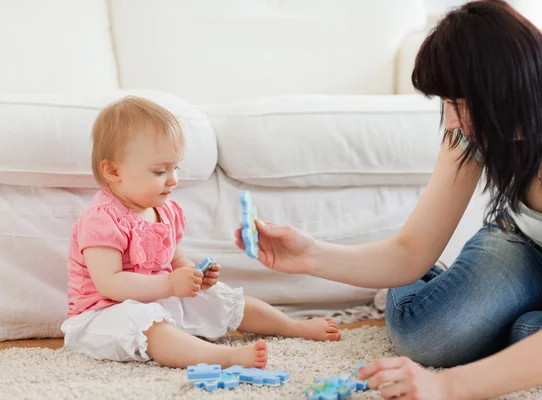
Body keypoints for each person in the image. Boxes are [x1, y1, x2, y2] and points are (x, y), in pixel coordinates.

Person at [234, 0, 542, 398]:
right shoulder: (472, 132)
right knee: (428, 335)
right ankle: (467, 296)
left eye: (459, 104)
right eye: (445, 103)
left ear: (508, 91)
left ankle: (524, 323)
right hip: (521, 246)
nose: (451, 122)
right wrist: (310, 256)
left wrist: (445, 387)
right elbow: (410, 252)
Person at [60, 96, 340, 370]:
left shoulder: (164, 210)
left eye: (175, 167)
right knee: (148, 326)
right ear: (112, 171)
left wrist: (194, 276)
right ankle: (221, 357)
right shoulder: (101, 220)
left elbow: (174, 257)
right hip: (103, 316)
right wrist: (170, 285)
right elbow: (111, 283)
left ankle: (292, 326)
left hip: (155, 297)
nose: (173, 179)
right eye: (160, 171)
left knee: (220, 297)